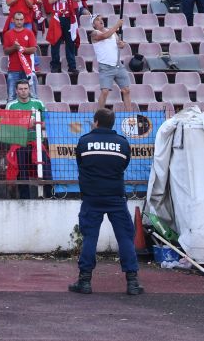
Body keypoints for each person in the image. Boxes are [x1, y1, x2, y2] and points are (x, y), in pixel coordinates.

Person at [69, 108, 143, 296]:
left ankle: (85, 281)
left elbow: (80, 163)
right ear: (112, 123)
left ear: (96, 122)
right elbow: (124, 164)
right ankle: (132, 283)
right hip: (115, 197)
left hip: (92, 197)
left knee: (90, 238)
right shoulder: (122, 143)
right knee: (125, 238)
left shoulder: (84, 141)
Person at [6, 81, 45, 200]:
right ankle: (25, 199)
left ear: (29, 89)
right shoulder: (11, 105)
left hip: (37, 143)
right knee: (22, 172)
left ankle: (46, 195)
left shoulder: (38, 104)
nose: (23, 91)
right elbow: (6, 125)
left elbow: (47, 123)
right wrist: (25, 124)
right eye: (21, 89)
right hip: (19, 143)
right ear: (16, 91)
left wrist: (36, 124)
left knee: (45, 169)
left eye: (25, 88)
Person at [90, 16, 131, 110]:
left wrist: (122, 44)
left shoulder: (113, 32)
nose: (100, 20)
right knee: (105, 91)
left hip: (118, 65)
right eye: (97, 20)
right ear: (93, 25)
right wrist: (117, 25)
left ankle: (130, 116)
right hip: (105, 67)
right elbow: (104, 36)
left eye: (101, 19)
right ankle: (99, 116)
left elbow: (119, 44)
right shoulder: (94, 33)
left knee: (126, 90)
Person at [2, 11, 39, 101]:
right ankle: (10, 115)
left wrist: (22, 49)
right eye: (17, 19)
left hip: (28, 69)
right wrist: (14, 48)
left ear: (24, 20)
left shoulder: (29, 33)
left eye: (21, 19)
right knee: (11, 97)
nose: (19, 21)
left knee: (33, 96)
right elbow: (6, 51)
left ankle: (35, 115)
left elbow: (34, 49)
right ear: (13, 20)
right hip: (13, 69)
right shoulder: (8, 34)